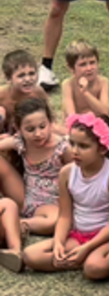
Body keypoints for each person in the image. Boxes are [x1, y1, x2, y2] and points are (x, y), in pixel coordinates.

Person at [23, 113, 109, 280]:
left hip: (106, 237)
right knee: (30, 255)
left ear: (102, 148)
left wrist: (87, 248)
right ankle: (77, 259)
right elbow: (65, 216)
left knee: (94, 268)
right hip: (78, 235)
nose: (75, 151)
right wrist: (58, 242)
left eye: (83, 146)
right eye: (72, 144)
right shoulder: (67, 172)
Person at [0, 98, 71, 237]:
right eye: (30, 129)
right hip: (25, 194)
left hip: (52, 201)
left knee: (54, 221)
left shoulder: (62, 148)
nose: (38, 134)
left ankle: (18, 225)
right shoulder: (21, 142)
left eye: (42, 126)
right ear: (18, 129)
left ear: (50, 123)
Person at [0, 50, 49, 134]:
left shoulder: (38, 93)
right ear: (8, 79)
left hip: (31, 134)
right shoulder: (2, 94)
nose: (28, 79)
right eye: (21, 75)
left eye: (31, 73)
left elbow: (50, 119)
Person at [61, 40, 109, 117]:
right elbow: (71, 116)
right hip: (78, 126)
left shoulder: (103, 82)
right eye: (82, 64)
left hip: (99, 124)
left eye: (92, 62)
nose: (89, 68)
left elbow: (105, 112)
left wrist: (86, 93)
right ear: (71, 68)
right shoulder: (69, 85)